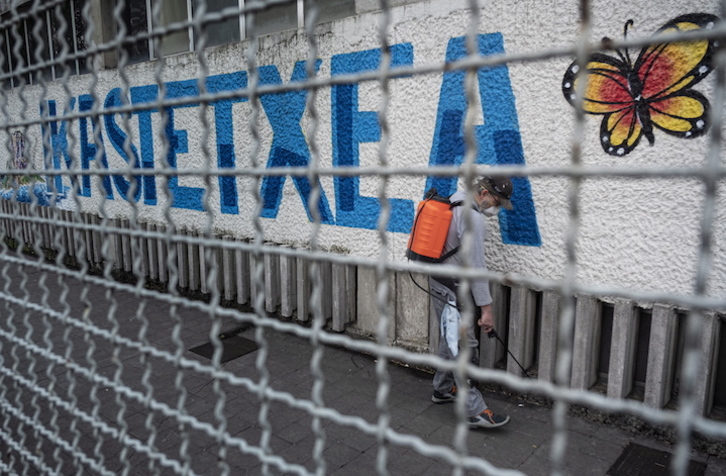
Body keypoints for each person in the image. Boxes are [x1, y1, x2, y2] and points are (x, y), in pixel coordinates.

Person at [429, 175, 513, 429]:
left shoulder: (453, 201)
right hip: (454, 288)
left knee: (450, 338)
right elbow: (477, 267)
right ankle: (474, 411)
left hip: (437, 280)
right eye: (496, 201)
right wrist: (486, 310)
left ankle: (442, 389)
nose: (495, 208)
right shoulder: (473, 218)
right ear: (485, 194)